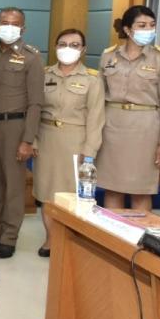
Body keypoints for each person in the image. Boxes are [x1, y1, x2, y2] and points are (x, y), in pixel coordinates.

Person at [97, 6, 160, 212]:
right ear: (127, 29)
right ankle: (113, 232)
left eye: (152, 25)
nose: (148, 30)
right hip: (111, 128)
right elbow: (98, 97)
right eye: (142, 25)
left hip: (145, 131)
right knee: (112, 189)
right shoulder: (108, 56)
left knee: (141, 191)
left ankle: (140, 233)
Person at [0, 7, 44, 259]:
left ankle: (9, 236)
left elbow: (36, 103)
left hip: (15, 127)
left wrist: (28, 139)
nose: (9, 27)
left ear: (23, 29)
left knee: (14, 185)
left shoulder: (31, 58)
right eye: (4, 22)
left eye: (14, 23)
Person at [33, 28, 104, 257]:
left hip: (76, 141)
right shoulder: (44, 74)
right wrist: (33, 140)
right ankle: (50, 239)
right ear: (55, 47)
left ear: (83, 50)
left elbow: (96, 118)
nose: (68, 49)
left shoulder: (92, 79)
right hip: (46, 138)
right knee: (46, 192)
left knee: (73, 195)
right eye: (63, 44)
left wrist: (90, 150)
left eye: (74, 45)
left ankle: (71, 242)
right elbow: (34, 110)